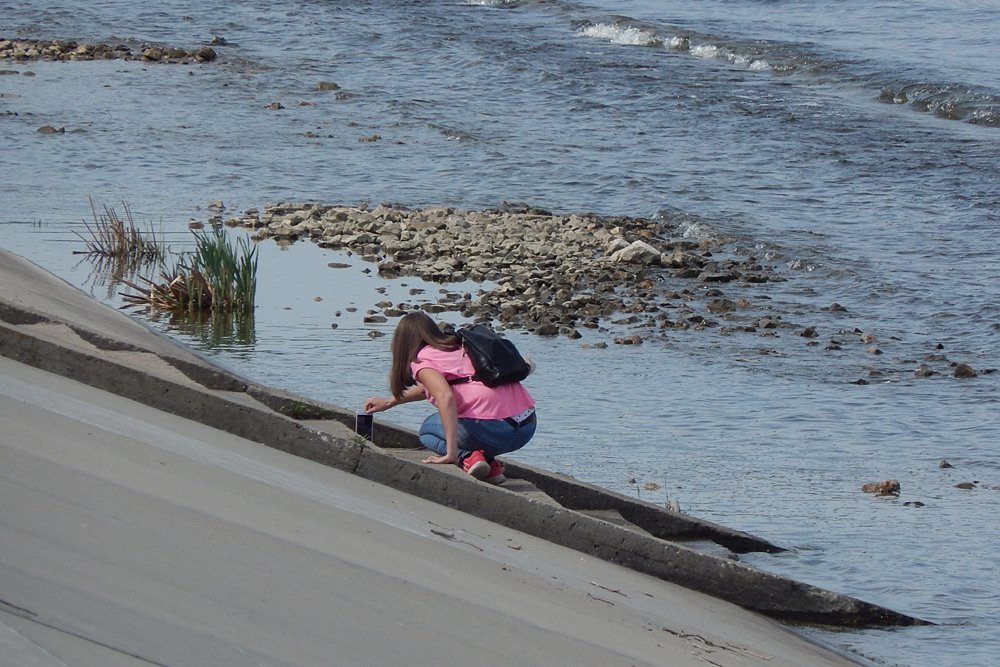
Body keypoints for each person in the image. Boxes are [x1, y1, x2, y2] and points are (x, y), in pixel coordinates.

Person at [363, 311, 536, 484]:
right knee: (468, 418)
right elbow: (429, 389)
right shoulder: (462, 347)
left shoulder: (422, 360)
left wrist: (451, 453)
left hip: (494, 432)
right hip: (526, 427)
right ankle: (491, 469)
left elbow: (445, 397)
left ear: (402, 343)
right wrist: (389, 401)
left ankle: (467, 458)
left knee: (428, 430)